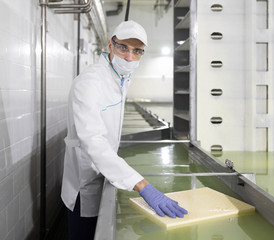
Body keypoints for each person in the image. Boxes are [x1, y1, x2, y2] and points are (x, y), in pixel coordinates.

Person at [61, 20, 188, 240]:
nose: (129, 57)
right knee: (84, 233)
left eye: (137, 51)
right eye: (123, 48)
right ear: (110, 45)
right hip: (85, 180)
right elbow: (93, 142)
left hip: (105, 172)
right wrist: (142, 185)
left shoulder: (120, 77)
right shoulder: (89, 83)